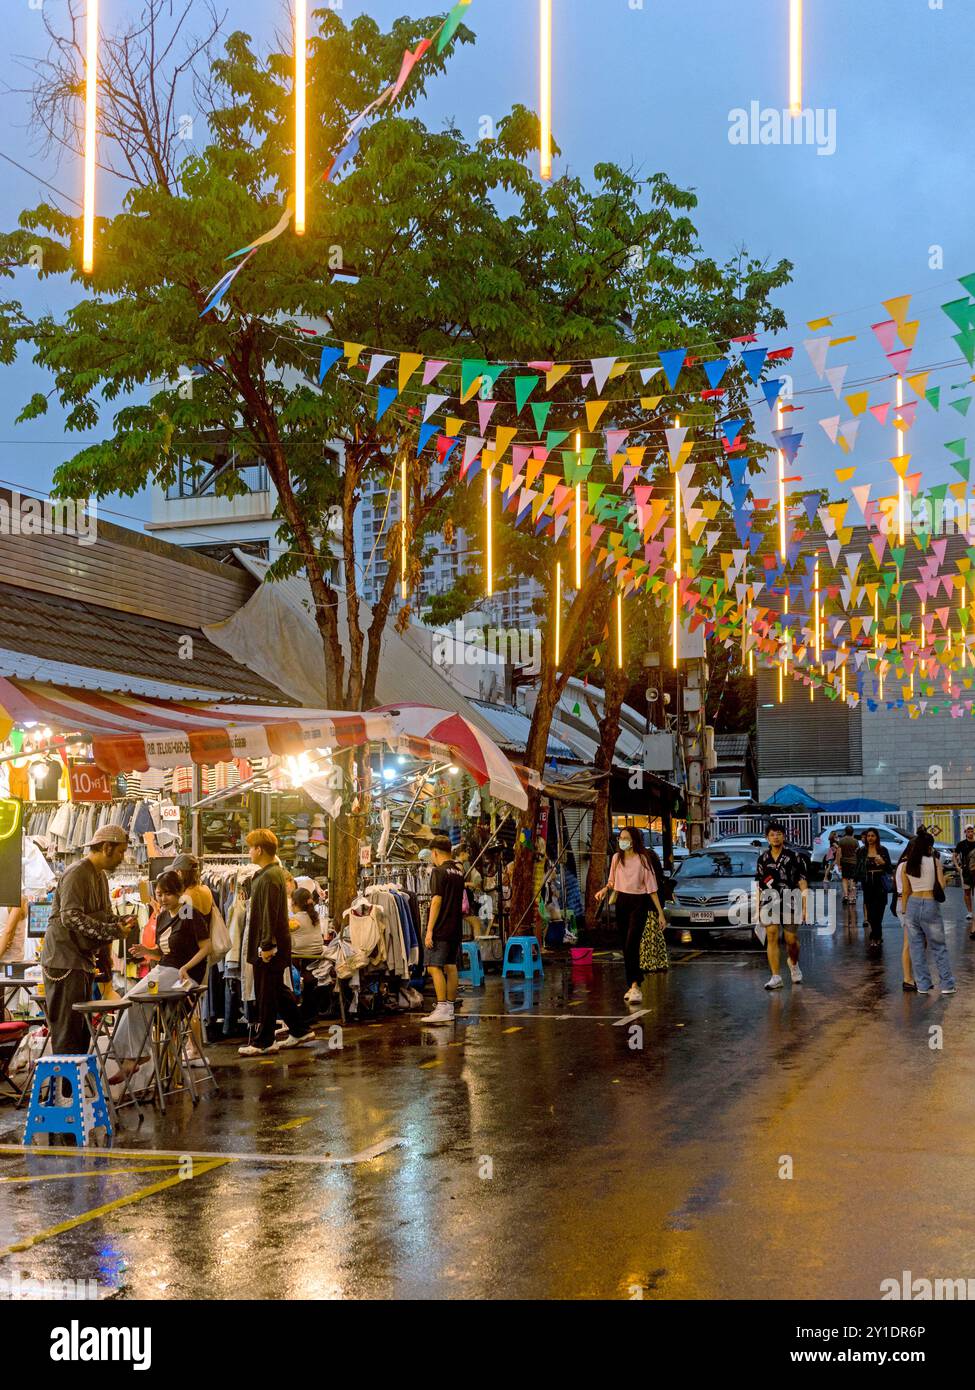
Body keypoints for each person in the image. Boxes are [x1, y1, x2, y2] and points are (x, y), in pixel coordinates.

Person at [40, 825, 136, 1055]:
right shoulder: (76, 873)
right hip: (63, 961)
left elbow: (105, 915)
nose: (123, 858)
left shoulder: (100, 876)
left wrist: (122, 922)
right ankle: (65, 1088)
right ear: (106, 848)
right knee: (67, 1030)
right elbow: (71, 917)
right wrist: (113, 931)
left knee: (81, 1030)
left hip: (80, 962)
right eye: (121, 852)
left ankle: (74, 1087)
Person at [113, 870, 212, 1063]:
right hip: (166, 971)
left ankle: (135, 1056)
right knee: (129, 1002)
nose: (163, 898)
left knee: (132, 999)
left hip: (183, 975)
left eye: (168, 894)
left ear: (179, 892)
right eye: (159, 894)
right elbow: (163, 952)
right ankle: (130, 1056)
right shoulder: (163, 916)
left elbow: (206, 947)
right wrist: (146, 951)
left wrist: (186, 967)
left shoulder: (189, 912)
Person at [239, 829, 314, 1056]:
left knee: (267, 993)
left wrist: (267, 945)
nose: (249, 852)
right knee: (275, 990)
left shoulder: (270, 877)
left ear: (259, 849)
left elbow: (269, 914)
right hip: (271, 943)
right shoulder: (269, 875)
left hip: (270, 945)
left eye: (251, 848)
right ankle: (299, 1030)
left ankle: (265, 1040)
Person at [595, 826, 664, 1006]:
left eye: (625, 837)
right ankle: (632, 984)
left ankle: (636, 985)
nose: (622, 841)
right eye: (620, 838)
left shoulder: (643, 860)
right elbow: (612, 881)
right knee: (625, 945)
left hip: (639, 903)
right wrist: (604, 890)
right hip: (622, 903)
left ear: (633, 840)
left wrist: (660, 914)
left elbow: (652, 889)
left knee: (632, 942)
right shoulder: (617, 859)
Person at [755, 822, 808, 990]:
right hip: (769, 901)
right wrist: (757, 909)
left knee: (791, 940)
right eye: (772, 834)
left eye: (778, 834)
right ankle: (776, 976)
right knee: (771, 935)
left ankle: (793, 963)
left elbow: (802, 881)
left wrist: (806, 906)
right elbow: (759, 885)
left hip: (791, 900)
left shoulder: (794, 857)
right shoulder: (763, 858)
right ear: (767, 838)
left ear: (784, 836)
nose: (775, 837)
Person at [902, 830, 955, 996]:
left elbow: (905, 891)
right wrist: (945, 879)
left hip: (912, 905)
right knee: (939, 947)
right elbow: (941, 886)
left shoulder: (906, 865)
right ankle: (947, 984)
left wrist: (904, 911)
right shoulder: (934, 862)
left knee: (916, 948)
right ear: (929, 846)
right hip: (930, 903)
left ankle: (923, 985)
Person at [422, 835, 465, 1026]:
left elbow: (436, 900)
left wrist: (429, 930)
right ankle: (449, 1006)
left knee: (433, 967)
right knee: (450, 966)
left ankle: (441, 1007)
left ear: (435, 852)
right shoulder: (458, 872)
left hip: (441, 926)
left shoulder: (438, 872)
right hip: (456, 927)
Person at [289, 885, 324, 1028]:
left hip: (301, 957)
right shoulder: (314, 917)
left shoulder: (295, 919)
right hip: (317, 956)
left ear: (295, 904)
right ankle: (308, 1011)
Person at [857, 828, 892, 951]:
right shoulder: (862, 851)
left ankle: (875, 936)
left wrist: (882, 862)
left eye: (873, 836)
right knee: (871, 914)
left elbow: (889, 868)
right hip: (868, 883)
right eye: (868, 836)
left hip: (880, 882)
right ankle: (876, 935)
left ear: (877, 837)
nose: (870, 838)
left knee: (879, 911)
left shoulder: (883, 850)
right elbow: (858, 868)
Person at [894, 846, 916, 991]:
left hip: (906, 903)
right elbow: (906, 889)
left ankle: (910, 976)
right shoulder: (905, 865)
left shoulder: (906, 864)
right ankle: (908, 978)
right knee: (909, 942)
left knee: (914, 941)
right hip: (906, 903)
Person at [953, 825, 975, 932]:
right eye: (969, 831)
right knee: (967, 892)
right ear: (965, 832)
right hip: (966, 872)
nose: (970, 833)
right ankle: (970, 912)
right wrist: (957, 867)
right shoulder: (961, 844)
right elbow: (954, 855)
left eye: (972, 831)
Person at [836, 825, 860, 922]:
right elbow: (857, 852)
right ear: (852, 832)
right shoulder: (855, 841)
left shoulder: (841, 841)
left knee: (845, 878)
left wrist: (838, 864)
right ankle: (852, 898)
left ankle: (845, 895)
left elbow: (838, 853)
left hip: (844, 862)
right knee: (852, 879)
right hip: (853, 862)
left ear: (845, 831)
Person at [0, 897, 27, 966]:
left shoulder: (18, 899)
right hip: (11, 958)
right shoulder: (19, 898)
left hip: (10, 960)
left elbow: (8, 933)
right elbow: (8, 933)